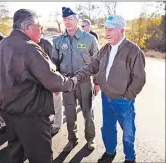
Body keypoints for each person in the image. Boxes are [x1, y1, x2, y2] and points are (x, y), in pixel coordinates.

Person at [0, 9, 76, 163]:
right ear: (27, 27)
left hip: (9, 112)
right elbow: (53, 81)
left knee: (16, 151)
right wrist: (72, 82)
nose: (41, 30)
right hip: (31, 114)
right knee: (41, 156)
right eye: (39, 26)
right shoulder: (30, 48)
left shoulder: (2, 44)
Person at [72, 14, 146, 163]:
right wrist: (76, 77)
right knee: (107, 128)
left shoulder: (133, 51)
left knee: (128, 132)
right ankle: (110, 152)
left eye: (111, 29)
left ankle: (130, 158)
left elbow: (140, 78)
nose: (106, 33)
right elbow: (92, 65)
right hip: (106, 97)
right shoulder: (105, 49)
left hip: (123, 100)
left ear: (122, 31)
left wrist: (127, 96)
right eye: (106, 29)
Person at [51, 7, 99, 152]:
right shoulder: (58, 41)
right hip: (66, 84)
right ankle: (72, 139)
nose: (67, 22)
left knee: (88, 112)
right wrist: (55, 84)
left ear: (77, 20)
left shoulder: (89, 39)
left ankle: (90, 138)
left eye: (70, 19)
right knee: (70, 114)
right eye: (65, 19)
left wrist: (97, 82)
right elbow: (54, 64)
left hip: (84, 82)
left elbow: (98, 62)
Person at [38, 33, 63, 135]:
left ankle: (57, 124)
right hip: (39, 79)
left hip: (52, 78)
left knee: (56, 101)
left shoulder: (46, 43)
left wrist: (56, 82)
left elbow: (55, 62)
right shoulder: (27, 44)